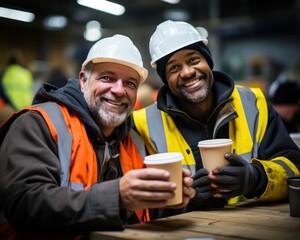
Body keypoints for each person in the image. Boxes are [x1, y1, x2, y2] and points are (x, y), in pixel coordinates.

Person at [0, 34, 195, 239]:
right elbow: (25, 204)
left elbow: (144, 215)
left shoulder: (134, 141)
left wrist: (174, 199)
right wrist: (116, 197)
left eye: (130, 83)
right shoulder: (38, 123)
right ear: (83, 80)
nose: (119, 90)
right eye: (107, 78)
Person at [132, 20, 300, 210]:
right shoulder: (143, 124)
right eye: (174, 68)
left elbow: (294, 170)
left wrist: (255, 178)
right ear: (165, 79)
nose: (187, 72)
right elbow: (138, 204)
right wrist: (187, 200)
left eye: (194, 59)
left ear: (207, 61)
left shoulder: (254, 103)